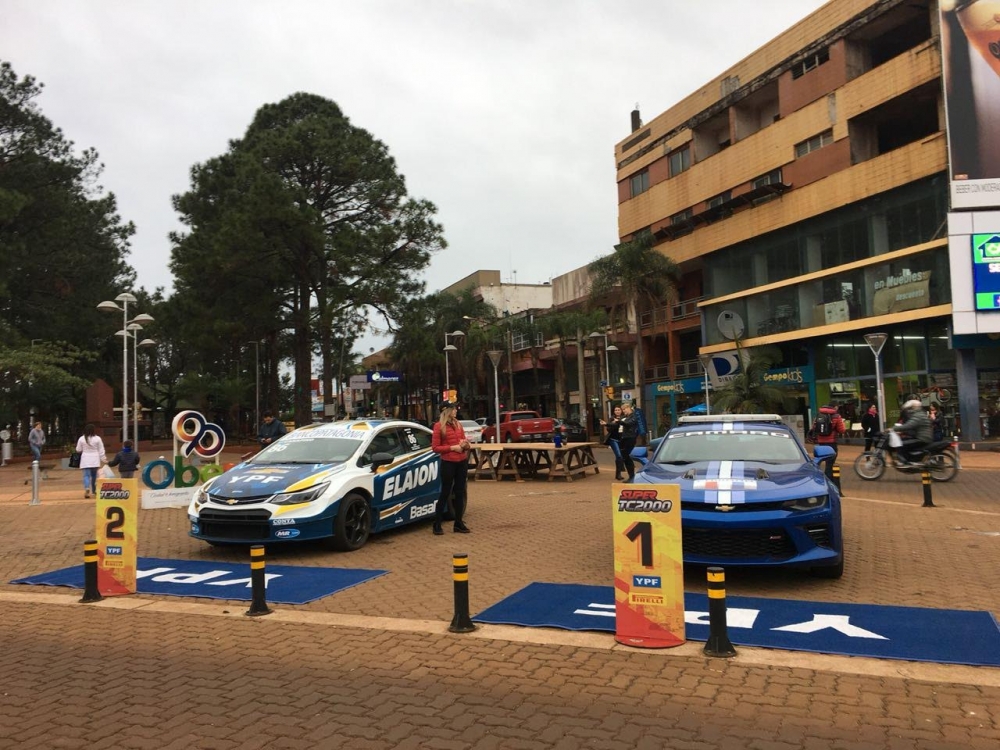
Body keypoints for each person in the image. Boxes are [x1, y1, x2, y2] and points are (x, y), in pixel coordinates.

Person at [431, 402, 471, 535]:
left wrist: (465, 444)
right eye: (453, 409)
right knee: (445, 492)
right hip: (448, 462)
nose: (455, 411)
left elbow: (464, 440)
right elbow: (435, 448)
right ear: (447, 411)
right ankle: (437, 523)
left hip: (461, 461)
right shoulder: (438, 426)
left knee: (460, 492)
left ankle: (458, 522)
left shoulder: (458, 424)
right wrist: (452, 448)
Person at [812, 404, 846, 479]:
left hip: (821, 442)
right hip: (831, 443)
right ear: (834, 407)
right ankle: (828, 479)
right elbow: (842, 430)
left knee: (819, 461)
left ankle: (816, 476)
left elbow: (814, 427)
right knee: (830, 463)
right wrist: (843, 423)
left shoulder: (818, 415)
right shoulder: (836, 416)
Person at [895, 399, 932, 465]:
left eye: (911, 407)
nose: (910, 409)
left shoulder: (918, 415)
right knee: (906, 441)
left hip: (922, 438)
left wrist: (894, 428)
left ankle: (908, 462)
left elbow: (909, 425)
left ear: (914, 407)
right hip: (921, 436)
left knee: (902, 444)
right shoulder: (920, 413)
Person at [75, 423, 107, 499]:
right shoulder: (97, 439)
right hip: (95, 459)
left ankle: (87, 488)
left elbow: (78, 449)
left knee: (86, 475)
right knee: (94, 476)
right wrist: (103, 458)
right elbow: (101, 450)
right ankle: (94, 490)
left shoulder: (81, 439)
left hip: (85, 459)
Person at [599, 405, 625, 480]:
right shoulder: (612, 419)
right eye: (616, 410)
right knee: (619, 455)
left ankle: (619, 471)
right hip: (613, 439)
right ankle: (618, 474)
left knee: (622, 456)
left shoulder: (624, 418)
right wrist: (612, 424)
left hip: (622, 440)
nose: (617, 411)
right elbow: (609, 429)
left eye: (618, 410)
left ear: (621, 411)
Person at [617, 401, 639, 480]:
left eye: (624, 409)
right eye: (623, 410)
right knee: (625, 457)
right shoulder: (626, 417)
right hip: (625, 438)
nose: (624, 411)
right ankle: (631, 475)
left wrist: (620, 421)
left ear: (629, 408)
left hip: (630, 438)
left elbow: (628, 424)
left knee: (627, 457)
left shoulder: (633, 416)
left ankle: (632, 476)